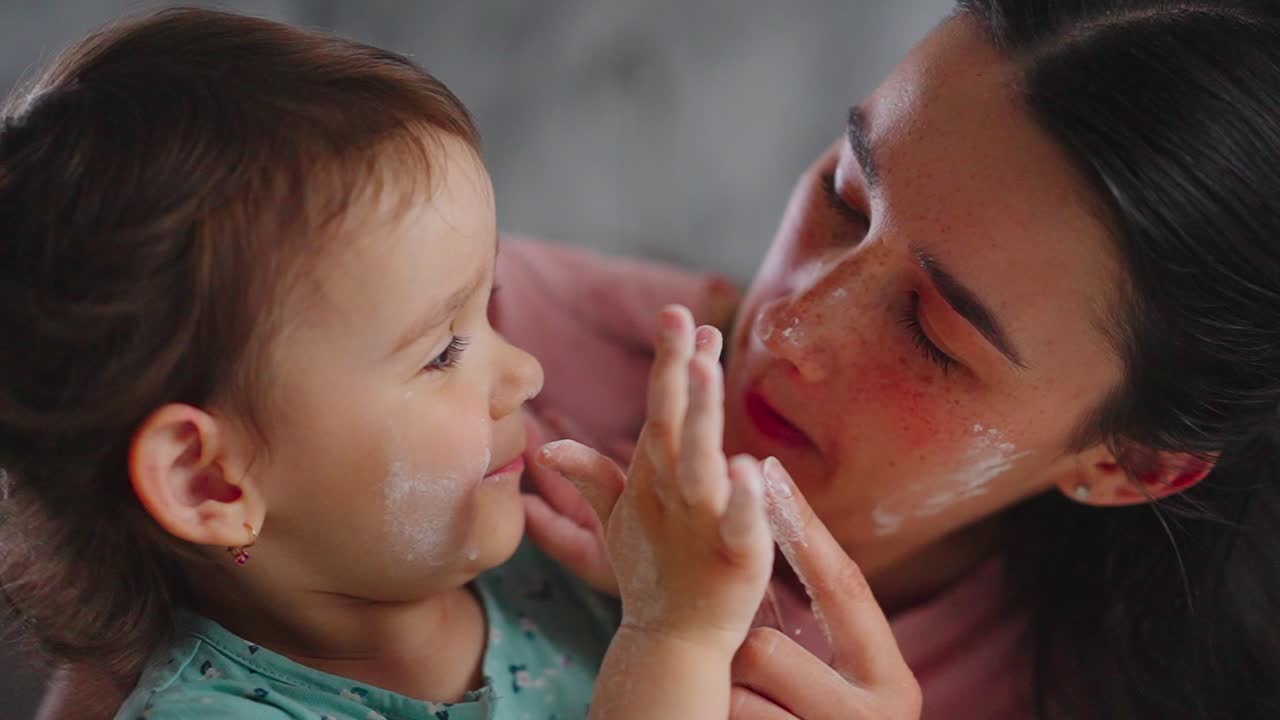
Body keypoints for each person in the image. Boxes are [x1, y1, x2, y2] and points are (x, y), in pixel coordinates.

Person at [28, 0, 1280, 717]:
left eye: (935, 334)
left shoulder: (1120, 680)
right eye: (845, 194)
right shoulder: (384, 339)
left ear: (1132, 467)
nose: (785, 323)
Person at [0, 9, 783, 719]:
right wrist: (675, 637)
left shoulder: (544, 571)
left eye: (492, 308)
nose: (526, 375)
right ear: (211, 481)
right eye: (443, 350)